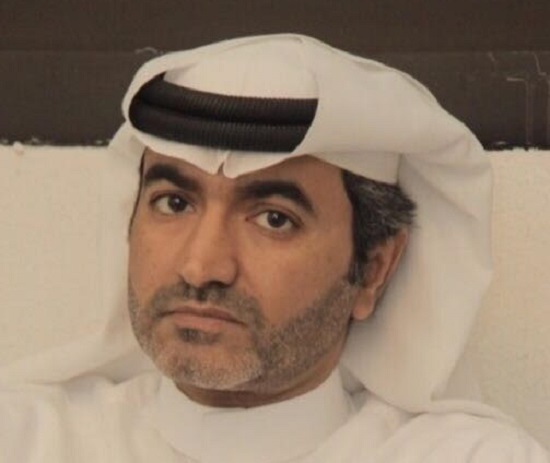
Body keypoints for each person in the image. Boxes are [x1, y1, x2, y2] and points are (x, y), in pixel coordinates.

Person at [1, 34, 548, 462]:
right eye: (174, 203)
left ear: (373, 270)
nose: (201, 267)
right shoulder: (26, 439)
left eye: (274, 219)